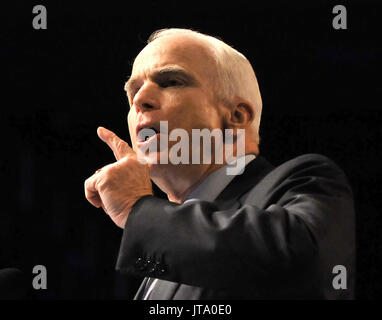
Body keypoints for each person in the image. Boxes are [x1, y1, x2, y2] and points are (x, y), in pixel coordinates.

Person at [84, 28, 355, 299]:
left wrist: (139, 209)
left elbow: (302, 263)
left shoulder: (307, 180)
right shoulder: (158, 263)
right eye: (133, 92)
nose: (140, 100)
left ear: (236, 117)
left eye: (171, 82)